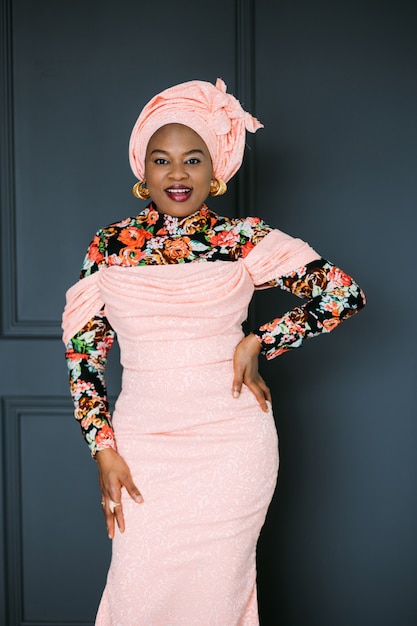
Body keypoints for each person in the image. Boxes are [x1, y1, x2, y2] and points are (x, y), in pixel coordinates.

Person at [62, 78, 365, 625]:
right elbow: (84, 357)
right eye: (162, 160)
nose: (177, 174)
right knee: (139, 590)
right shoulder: (107, 247)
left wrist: (259, 340)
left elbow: (342, 293)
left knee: (217, 595)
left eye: (193, 159)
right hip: (144, 445)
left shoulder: (242, 239)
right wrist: (102, 448)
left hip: (231, 443)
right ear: (143, 170)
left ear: (215, 171)